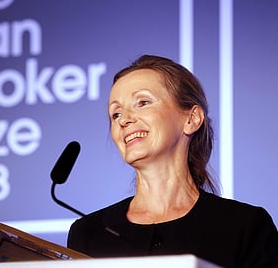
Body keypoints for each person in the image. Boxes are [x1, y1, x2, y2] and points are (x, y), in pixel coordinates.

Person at [67, 55, 278, 267]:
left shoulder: (245, 226)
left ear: (191, 119)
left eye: (143, 102)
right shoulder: (87, 232)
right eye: (115, 114)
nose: (124, 120)